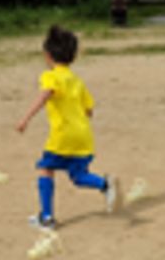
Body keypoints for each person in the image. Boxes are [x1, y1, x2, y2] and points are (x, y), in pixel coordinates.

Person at [16, 25, 121, 229]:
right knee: (78, 176)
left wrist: (26, 118)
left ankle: (46, 218)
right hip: (82, 135)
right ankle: (105, 185)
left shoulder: (51, 76)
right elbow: (89, 110)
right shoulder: (77, 80)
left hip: (62, 134)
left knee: (46, 168)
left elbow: (46, 94)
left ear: (47, 56)